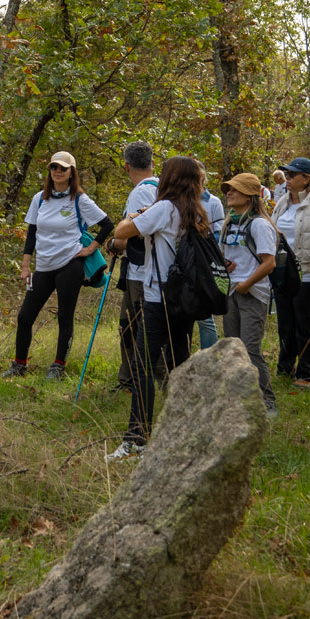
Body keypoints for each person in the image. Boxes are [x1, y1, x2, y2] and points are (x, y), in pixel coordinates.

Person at [111, 156, 211, 456]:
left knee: (142, 365)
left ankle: (136, 438)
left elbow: (120, 232)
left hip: (158, 299)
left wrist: (136, 216)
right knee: (179, 365)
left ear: (170, 179)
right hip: (184, 300)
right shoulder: (196, 211)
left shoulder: (164, 208)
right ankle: (186, 434)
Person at [3, 151, 113, 381]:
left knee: (65, 316)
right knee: (25, 317)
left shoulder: (79, 200)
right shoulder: (39, 199)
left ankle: (58, 366)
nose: (58, 171)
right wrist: (25, 266)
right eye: (54, 167)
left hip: (69, 265)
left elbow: (107, 224)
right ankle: (19, 364)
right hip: (43, 266)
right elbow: (31, 233)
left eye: (63, 168)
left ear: (72, 172)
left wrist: (90, 249)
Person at [272, 156, 310, 389]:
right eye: (286, 175)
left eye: (292, 175)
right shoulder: (282, 203)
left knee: (304, 325)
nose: (287, 179)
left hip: (307, 276)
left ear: (306, 179)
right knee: (285, 324)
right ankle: (284, 369)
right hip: (283, 275)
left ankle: (305, 374)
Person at [220, 173, 278, 418]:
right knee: (234, 349)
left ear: (250, 196)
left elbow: (269, 263)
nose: (229, 193)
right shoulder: (229, 223)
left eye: (235, 189)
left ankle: (267, 403)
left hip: (252, 293)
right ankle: (239, 401)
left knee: (250, 349)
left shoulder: (259, 224)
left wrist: (246, 283)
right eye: (228, 190)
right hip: (230, 292)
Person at [111, 141, 160, 393]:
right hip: (152, 270)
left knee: (132, 328)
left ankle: (135, 382)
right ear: (152, 162)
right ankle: (133, 380)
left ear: (126, 166)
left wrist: (113, 242)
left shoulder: (140, 192)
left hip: (141, 273)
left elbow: (128, 235)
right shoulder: (161, 186)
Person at [197, 161, 225, 350]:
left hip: (204, 263)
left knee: (204, 317)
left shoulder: (213, 202)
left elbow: (218, 235)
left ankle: (210, 358)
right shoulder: (177, 200)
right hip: (180, 262)